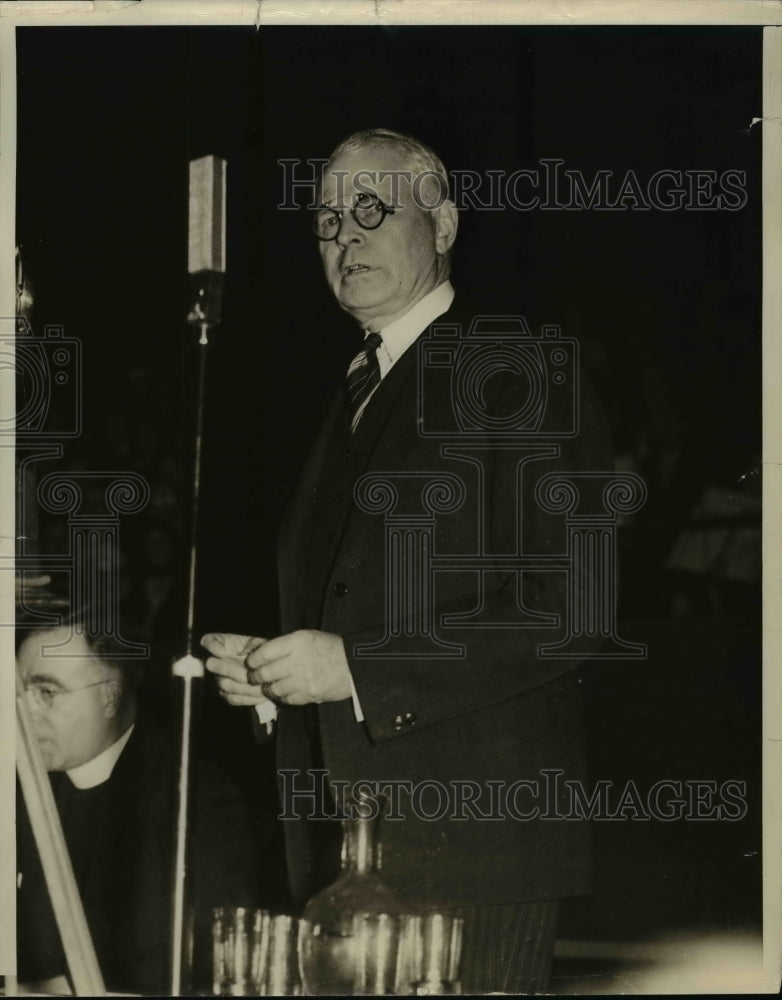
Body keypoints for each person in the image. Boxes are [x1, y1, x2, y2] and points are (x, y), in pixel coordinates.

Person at [203, 128, 612, 994]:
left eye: (369, 211)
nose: (343, 239)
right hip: (343, 847)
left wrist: (352, 668)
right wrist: (278, 674)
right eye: (324, 222)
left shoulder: (517, 367)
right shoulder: (355, 389)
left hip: (474, 854)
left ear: (446, 222)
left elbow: (571, 604)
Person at [16, 606, 263, 996]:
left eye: (46, 692)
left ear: (110, 697)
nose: (25, 715)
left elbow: (208, 969)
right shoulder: (18, 789)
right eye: (18, 694)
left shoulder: (195, 795)